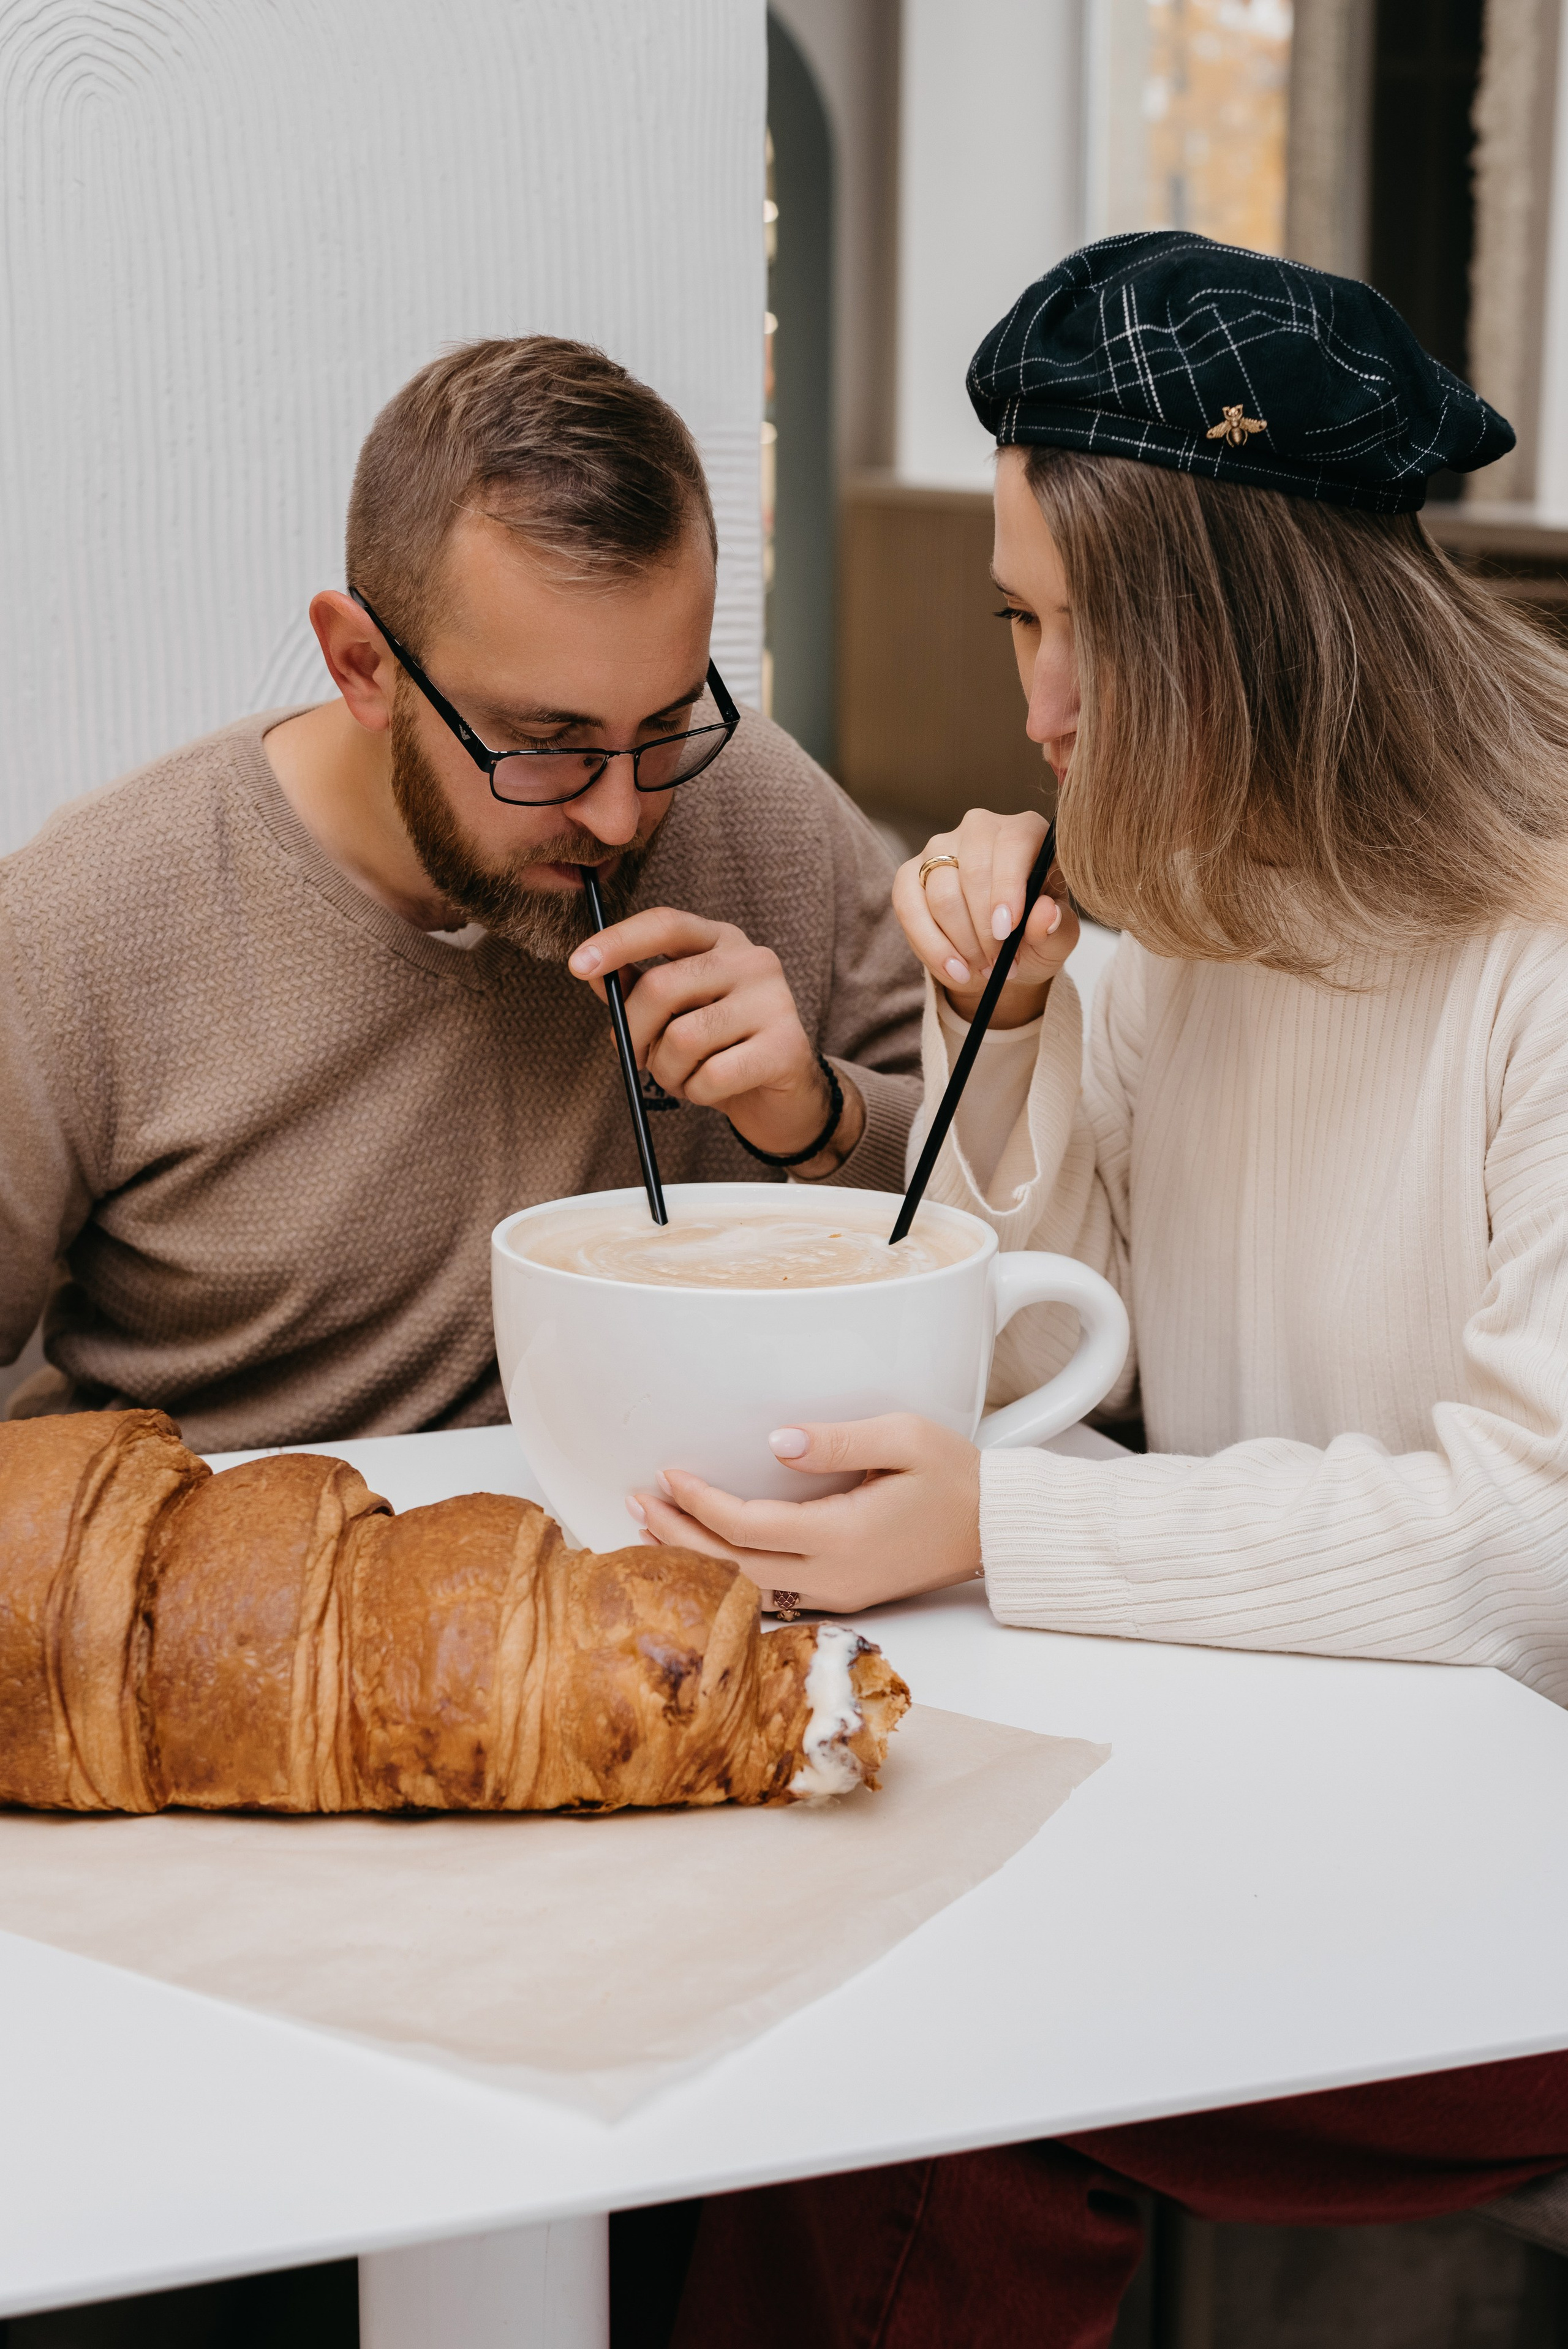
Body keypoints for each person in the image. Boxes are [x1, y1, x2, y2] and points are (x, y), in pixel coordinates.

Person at [614, 234, 1568, 2344]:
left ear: (1257, 636)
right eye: (1018, 622)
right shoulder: (1194, 925)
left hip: (1526, 1897)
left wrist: (997, 1515)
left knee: (939, 2063)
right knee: (795, 1946)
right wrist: (1018, 1019)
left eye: (1089, 636)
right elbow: (1043, 1332)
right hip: (1303, 1796)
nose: (1037, 711)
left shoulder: (1544, 961)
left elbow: (1539, 1541)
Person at [0, 337, 921, 1449]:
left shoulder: (759, 805)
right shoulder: (84, 922)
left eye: (669, 720)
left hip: (682, 1565)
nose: (623, 816)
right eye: (545, 742)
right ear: (361, 666)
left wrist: (820, 1117)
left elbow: (1003, 1212)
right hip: (233, 1585)